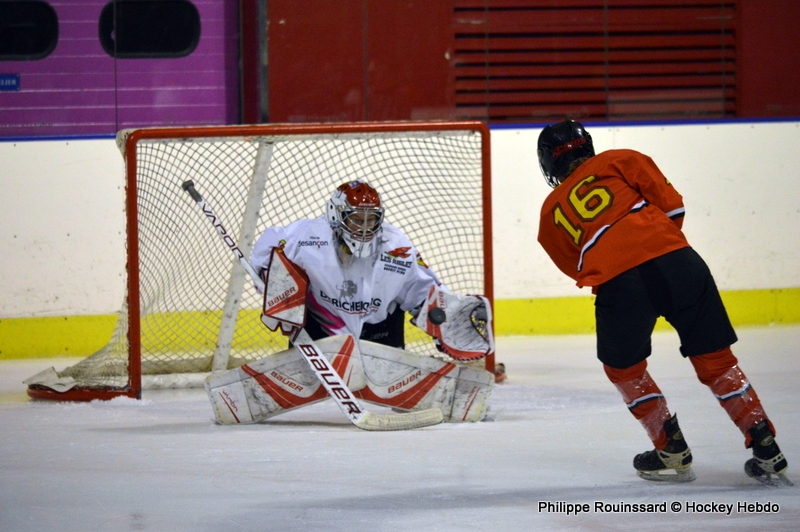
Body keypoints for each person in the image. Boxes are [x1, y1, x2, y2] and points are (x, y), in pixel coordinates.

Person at [535, 119, 791, 486]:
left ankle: (669, 448)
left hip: (620, 283)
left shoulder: (549, 214)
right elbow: (671, 209)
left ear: (548, 162)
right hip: (678, 262)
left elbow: (578, 266)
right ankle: (764, 443)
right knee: (717, 361)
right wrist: (658, 250)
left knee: (624, 369)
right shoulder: (621, 158)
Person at [202, 180, 496, 426]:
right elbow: (269, 247)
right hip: (321, 326)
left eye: (371, 220)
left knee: (381, 380)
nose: (365, 228)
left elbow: (422, 290)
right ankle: (245, 393)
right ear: (337, 215)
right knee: (346, 364)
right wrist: (275, 287)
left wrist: (446, 318)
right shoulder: (307, 238)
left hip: (378, 328)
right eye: (357, 219)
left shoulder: (397, 247)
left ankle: (444, 390)